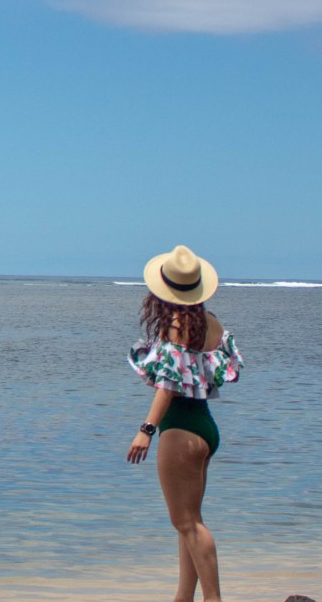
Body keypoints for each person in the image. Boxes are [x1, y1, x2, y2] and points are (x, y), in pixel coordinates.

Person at [125, 245, 242, 602]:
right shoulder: (211, 322)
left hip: (180, 430)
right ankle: (183, 598)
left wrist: (146, 430)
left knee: (188, 523)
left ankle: (213, 599)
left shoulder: (176, 325)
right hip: (204, 425)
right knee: (187, 521)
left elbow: (169, 384)